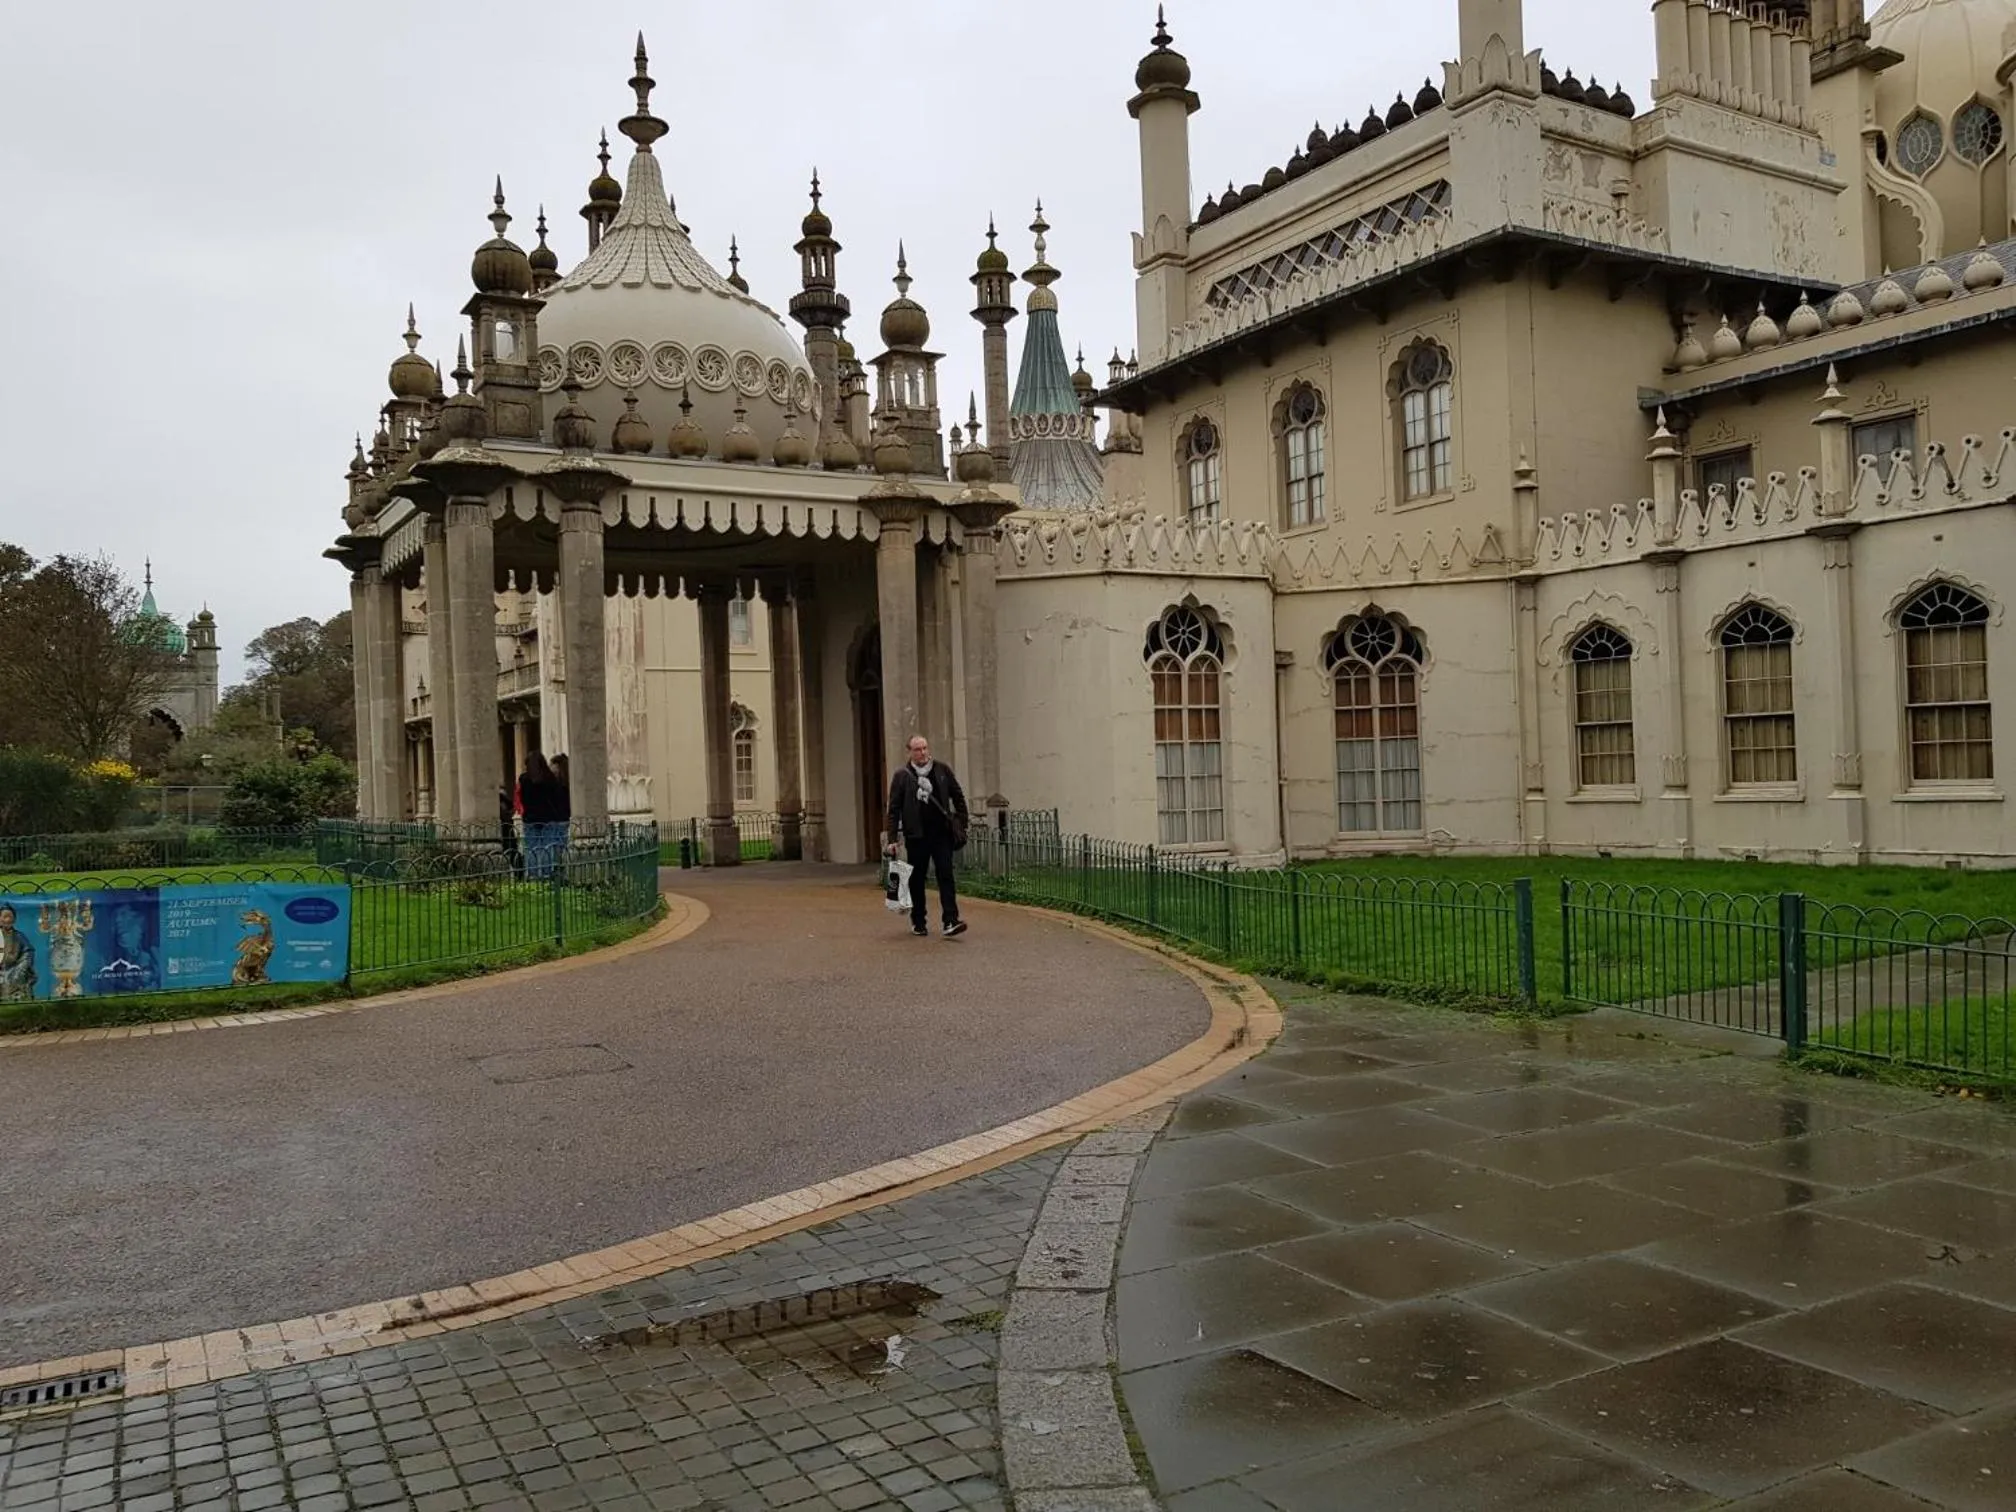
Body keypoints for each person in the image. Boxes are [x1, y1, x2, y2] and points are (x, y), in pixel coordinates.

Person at [885, 734, 969, 938]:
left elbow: (958, 796)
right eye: (917, 749)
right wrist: (892, 838)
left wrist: (961, 823)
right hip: (917, 836)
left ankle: (950, 920)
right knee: (917, 879)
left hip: (941, 834)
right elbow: (894, 809)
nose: (922, 753)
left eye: (924, 748)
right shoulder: (902, 776)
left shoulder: (942, 770)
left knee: (946, 876)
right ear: (910, 752)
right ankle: (918, 920)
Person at [518, 753, 566, 879]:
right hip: (548, 818)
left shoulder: (524, 779)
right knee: (547, 847)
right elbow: (556, 798)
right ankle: (546, 874)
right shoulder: (550, 779)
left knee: (531, 848)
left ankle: (533, 874)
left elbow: (523, 799)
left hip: (530, 819)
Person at [0, 904, 37, 1001]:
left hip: (14, 969)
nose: (7, 920)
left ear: (14, 919)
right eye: (5, 917)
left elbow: (28, 951)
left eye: (10, 917)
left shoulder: (19, 936)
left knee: (15, 977)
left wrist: (22, 967)